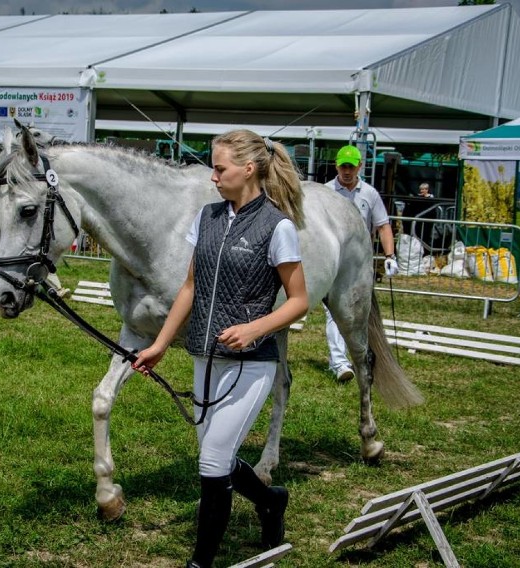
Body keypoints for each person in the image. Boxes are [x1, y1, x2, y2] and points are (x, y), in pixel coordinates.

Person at [132, 129, 308, 568]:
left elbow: (299, 301)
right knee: (220, 458)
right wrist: (160, 343)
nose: (213, 176)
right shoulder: (207, 217)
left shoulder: (277, 226)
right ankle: (270, 501)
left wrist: (254, 329)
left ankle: (200, 563)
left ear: (248, 169)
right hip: (203, 357)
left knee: (212, 464)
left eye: (220, 167)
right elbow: (190, 287)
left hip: (252, 364)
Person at [324, 144, 397, 381]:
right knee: (334, 311)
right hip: (333, 260)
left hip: (359, 263)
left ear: (359, 166)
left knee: (359, 310)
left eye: (351, 166)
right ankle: (339, 363)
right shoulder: (325, 192)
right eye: (343, 166)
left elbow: (383, 226)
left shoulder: (369, 193)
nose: (346, 171)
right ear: (336, 166)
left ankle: (363, 352)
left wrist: (389, 256)